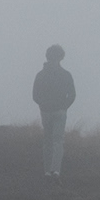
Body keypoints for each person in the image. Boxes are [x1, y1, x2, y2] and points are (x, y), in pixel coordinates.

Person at [32, 45, 76, 178]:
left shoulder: (40, 75)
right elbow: (72, 95)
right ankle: (55, 171)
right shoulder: (66, 74)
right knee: (57, 141)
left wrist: (43, 105)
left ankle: (48, 171)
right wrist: (64, 106)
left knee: (48, 141)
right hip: (58, 111)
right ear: (61, 57)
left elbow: (35, 95)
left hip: (47, 111)